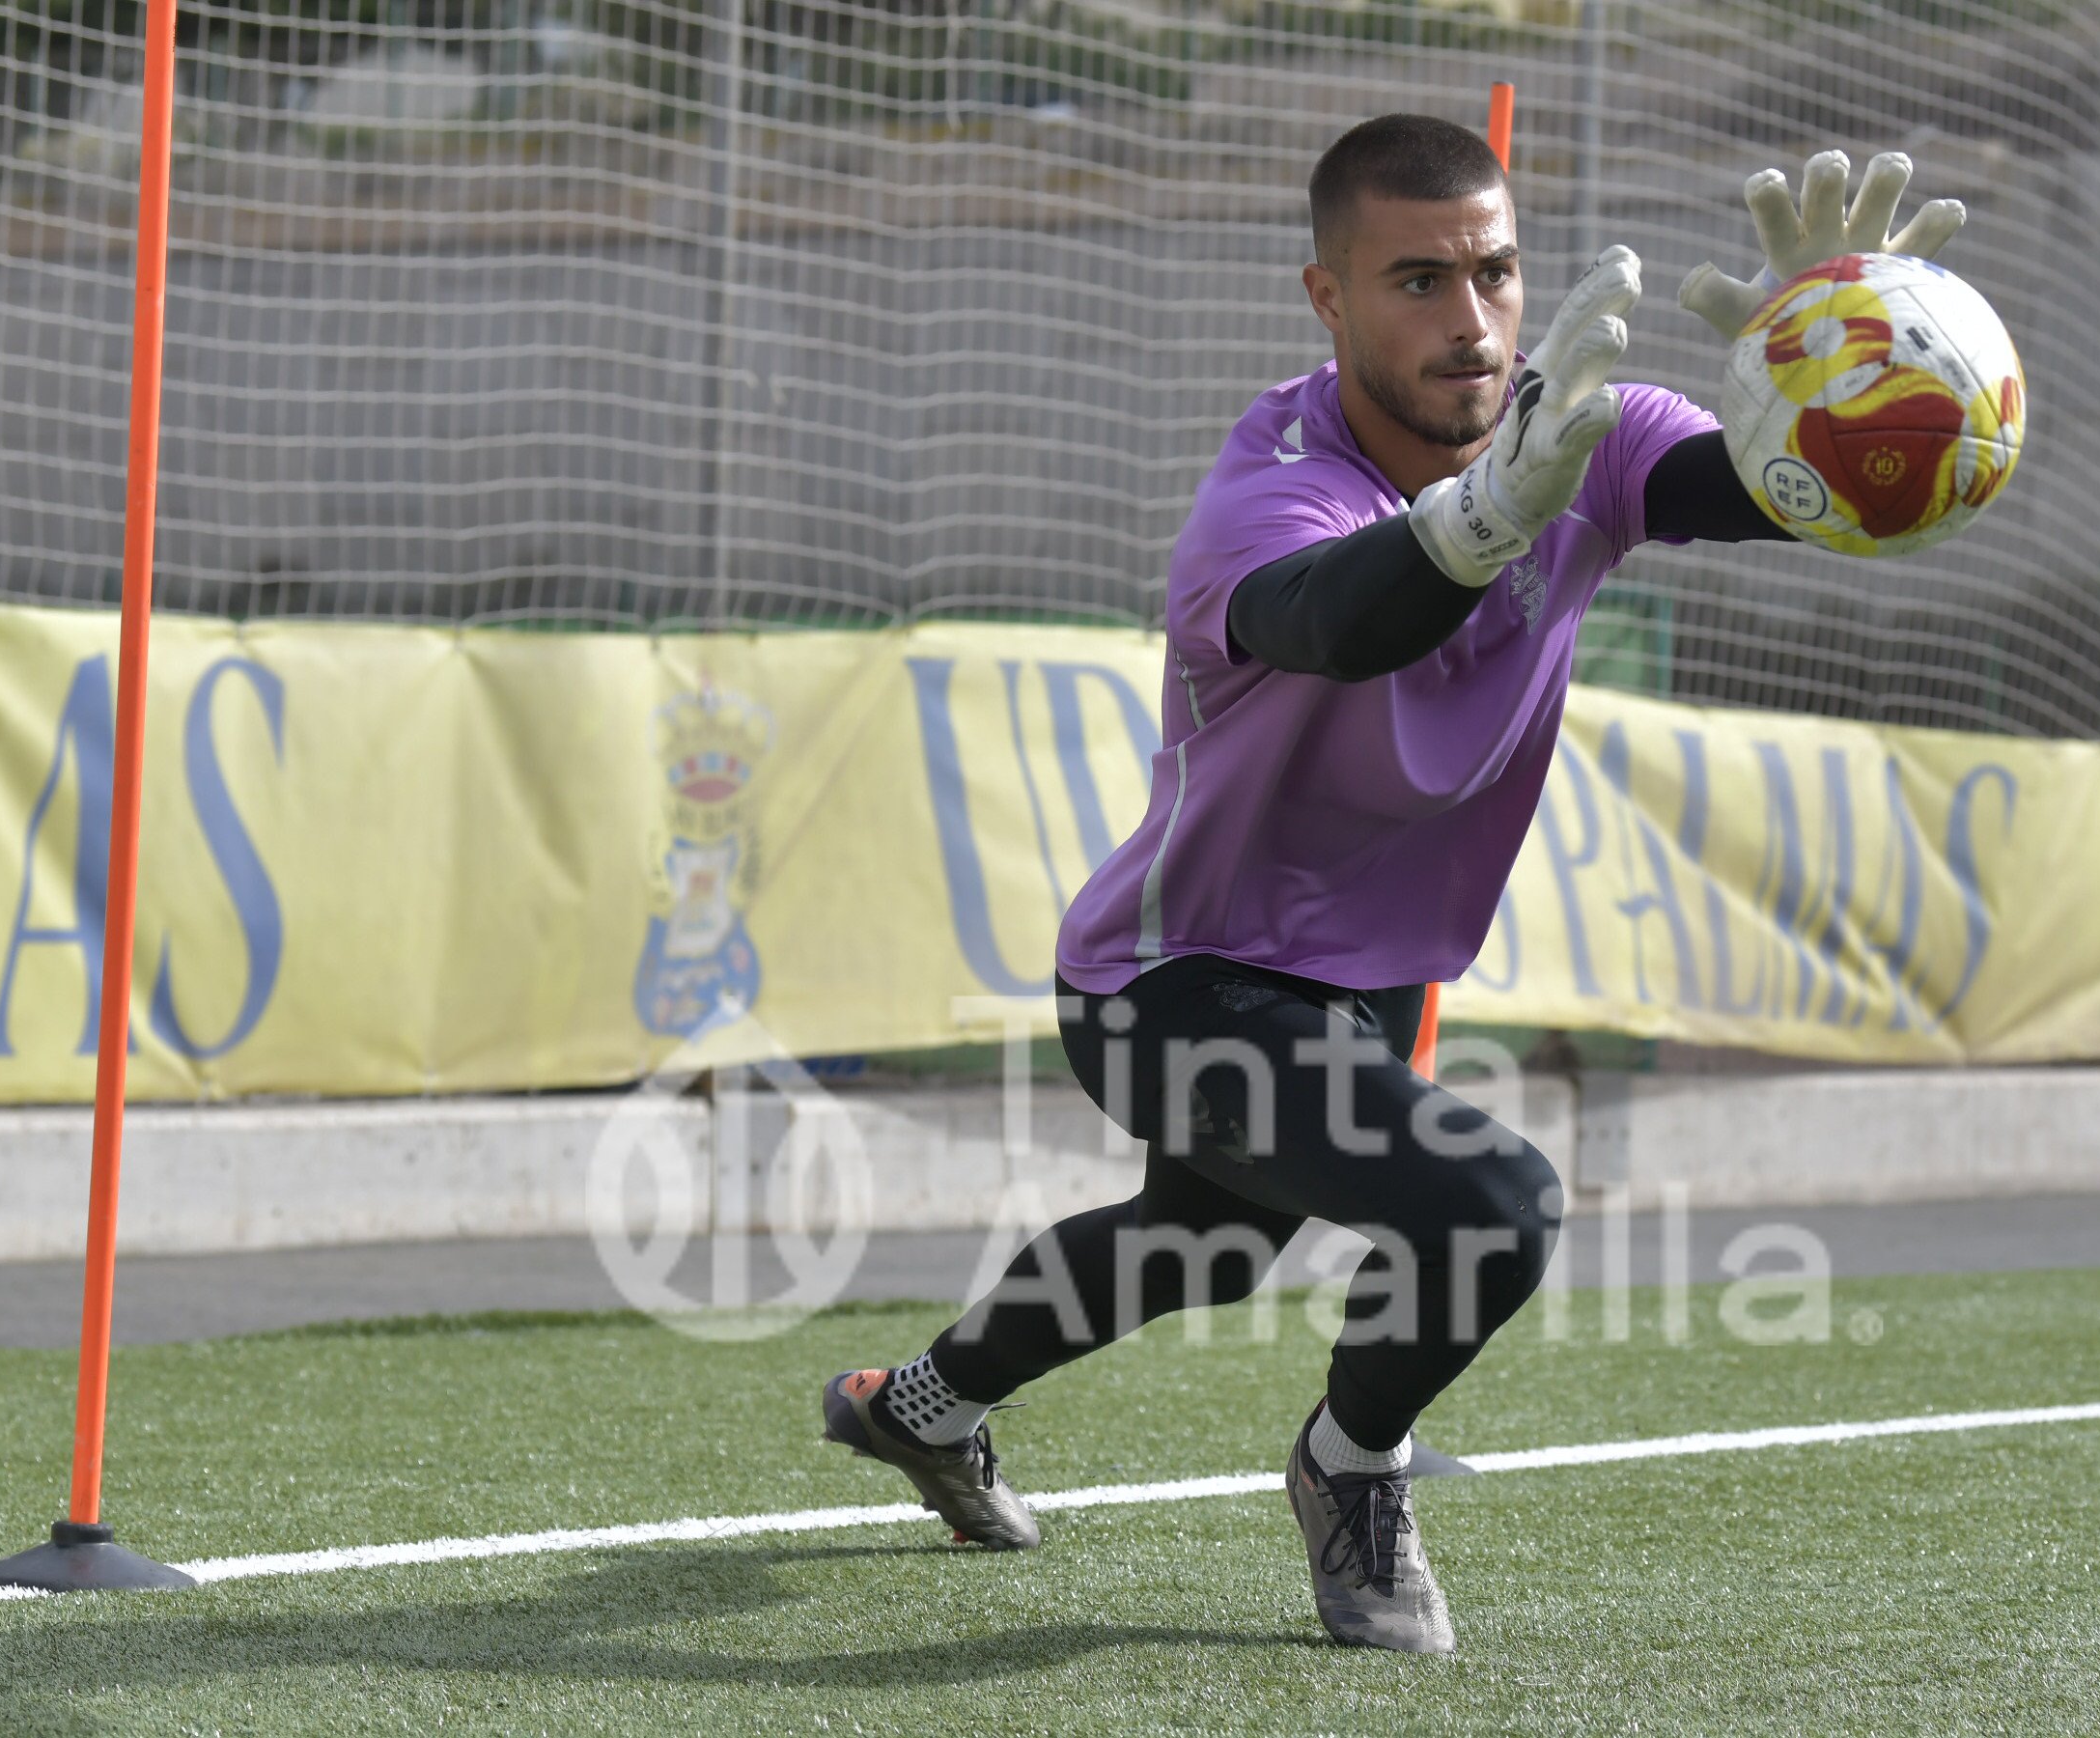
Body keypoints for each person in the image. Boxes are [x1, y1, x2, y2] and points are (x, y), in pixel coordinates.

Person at [823, 113, 1967, 1655]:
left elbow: (1781, 495)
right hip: (1174, 983)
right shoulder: (1274, 482)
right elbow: (1343, 619)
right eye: (1418, 279)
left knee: (1208, 1244)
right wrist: (1497, 507)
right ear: (1329, 299)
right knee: (1493, 1206)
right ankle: (1347, 1468)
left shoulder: (1593, 433)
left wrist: (1831, 367)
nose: (1473, 318)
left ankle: (916, 1408)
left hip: (1362, 992)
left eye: (1494, 270)